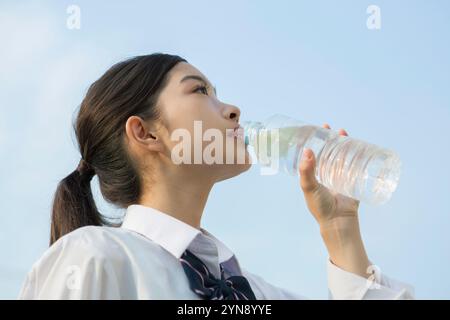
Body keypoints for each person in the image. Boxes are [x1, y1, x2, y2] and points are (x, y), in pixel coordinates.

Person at [18, 53, 414, 299]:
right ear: (146, 133)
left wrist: (340, 228)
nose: (233, 109)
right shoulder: (97, 257)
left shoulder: (256, 293)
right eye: (200, 91)